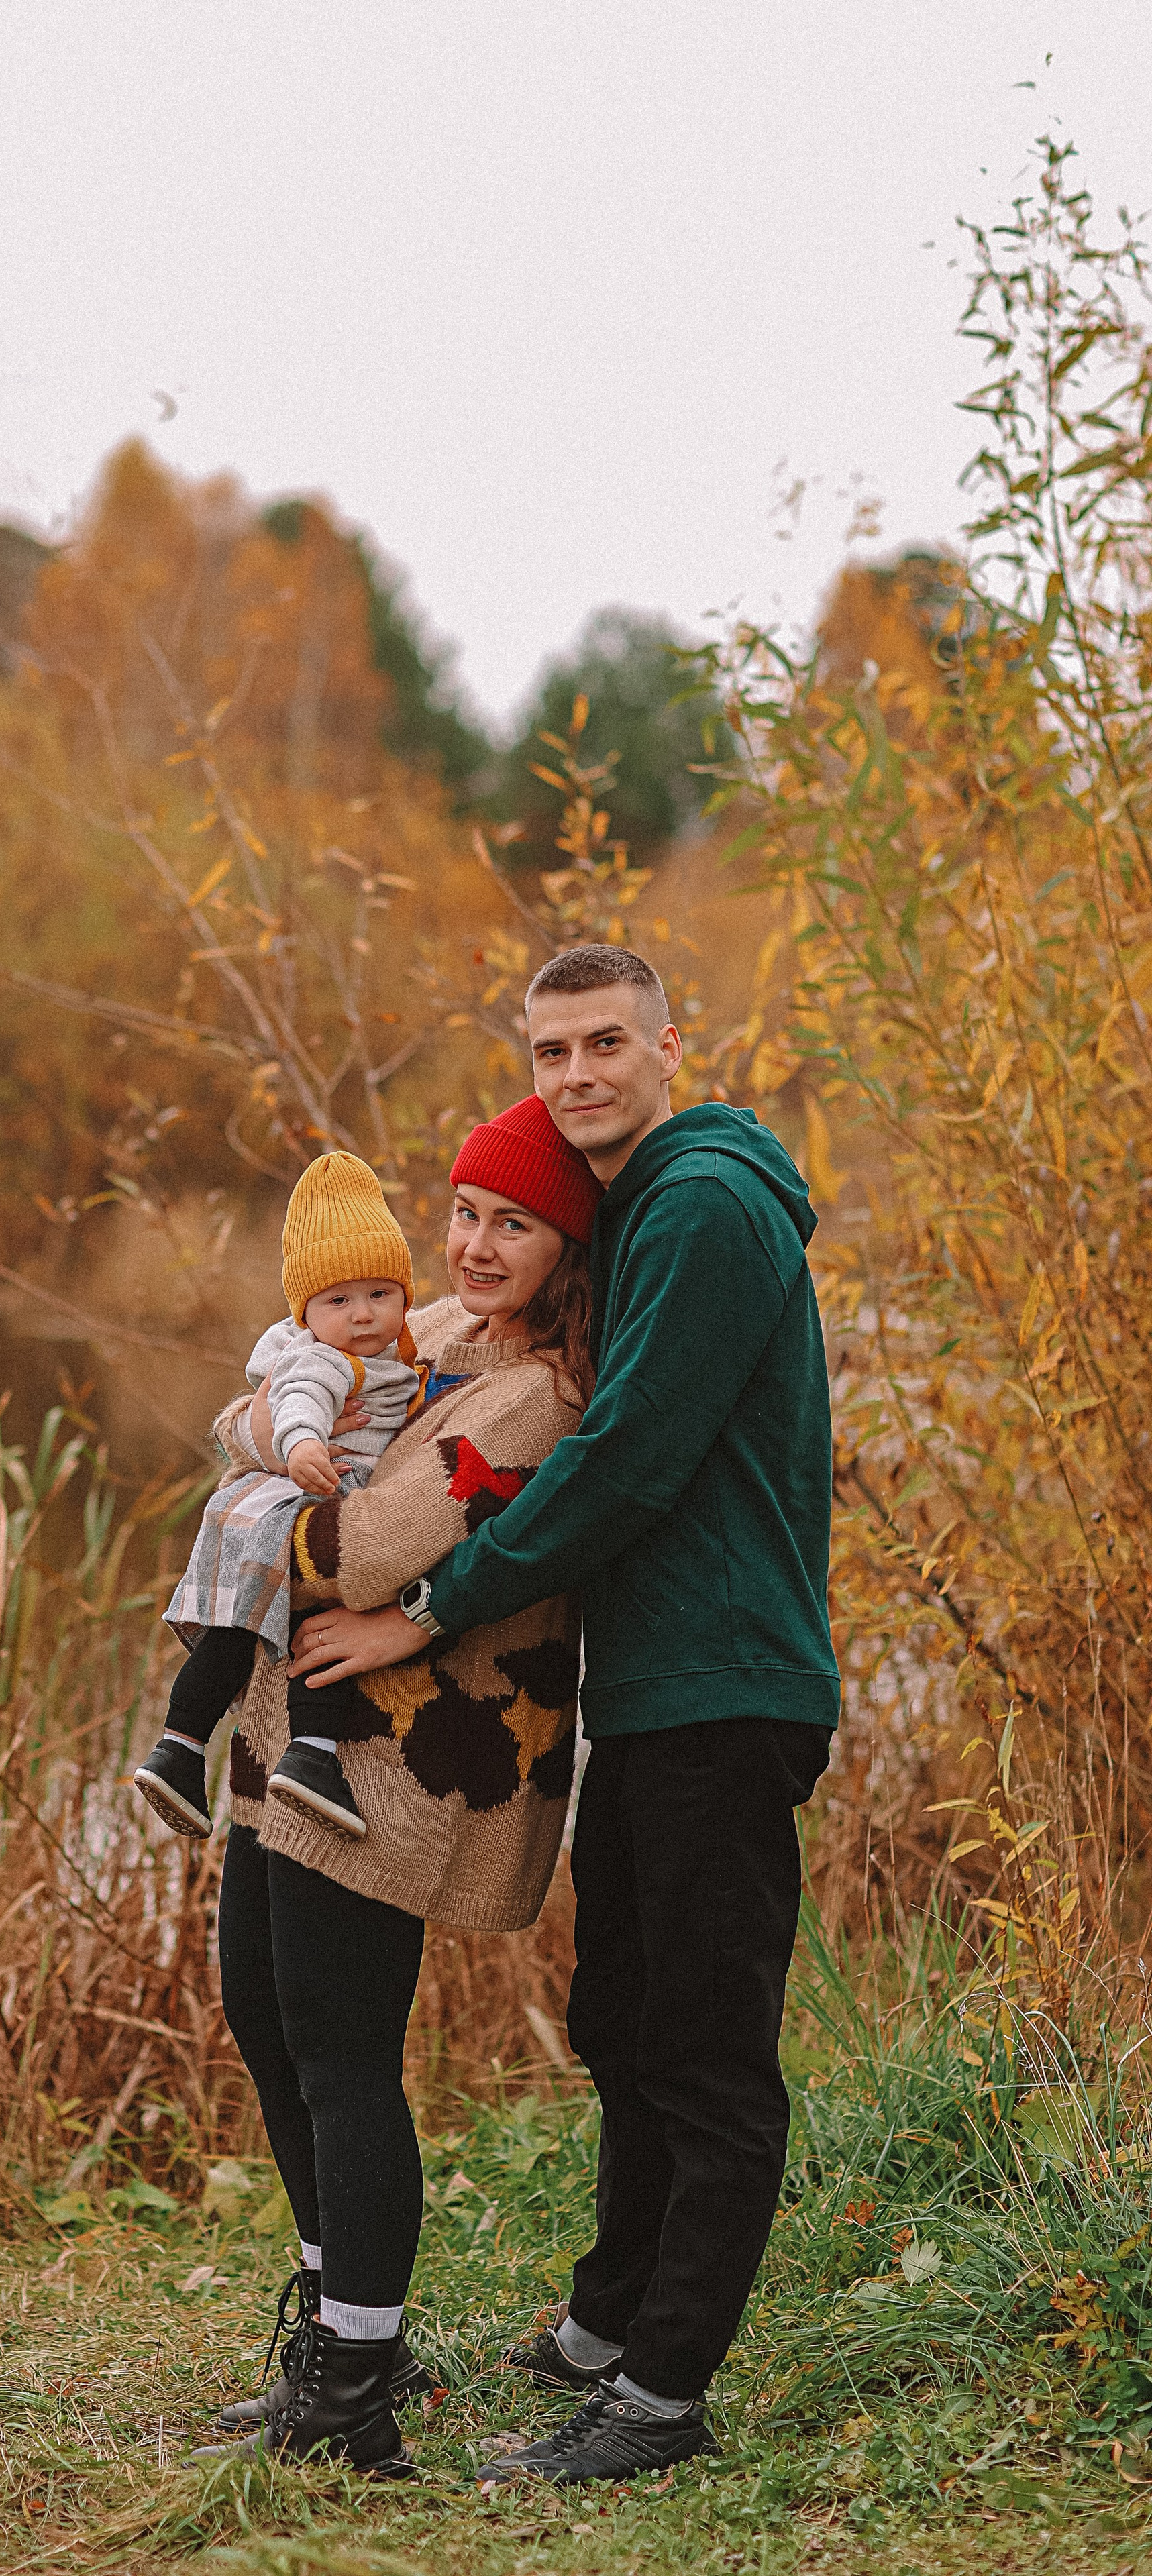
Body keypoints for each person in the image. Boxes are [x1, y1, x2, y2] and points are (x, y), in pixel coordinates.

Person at [288, 942, 839, 2489]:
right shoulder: (645, 1207)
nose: (578, 1071)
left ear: (672, 1039)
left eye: (605, 1040)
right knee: (622, 2015)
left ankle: (658, 2398)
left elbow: (628, 1461)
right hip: (664, 1687)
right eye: (550, 1049)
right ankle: (608, 2323)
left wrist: (429, 1606)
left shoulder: (705, 1202)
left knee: (704, 2048)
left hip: (724, 1683)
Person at [193, 1096, 603, 2476]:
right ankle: (332, 2329)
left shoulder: (534, 1393)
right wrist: (263, 1437)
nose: (476, 1246)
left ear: (567, 1247)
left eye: (516, 1224)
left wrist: (265, 1482)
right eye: (465, 1213)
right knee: (262, 2011)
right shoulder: (424, 1336)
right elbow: (246, 1408)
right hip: (287, 1736)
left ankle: (355, 2395)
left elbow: (358, 1547)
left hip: (393, 1766)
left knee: (341, 2047)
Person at [134, 1150, 426, 1842]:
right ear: (306, 1309)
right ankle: (313, 1755)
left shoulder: (390, 1352)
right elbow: (300, 1398)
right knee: (327, 1619)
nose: (361, 1315)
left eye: (379, 1295)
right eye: (338, 1301)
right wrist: (300, 1446)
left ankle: (177, 1746)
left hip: (260, 1508)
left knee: (236, 1639)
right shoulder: (323, 1359)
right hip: (295, 1501)